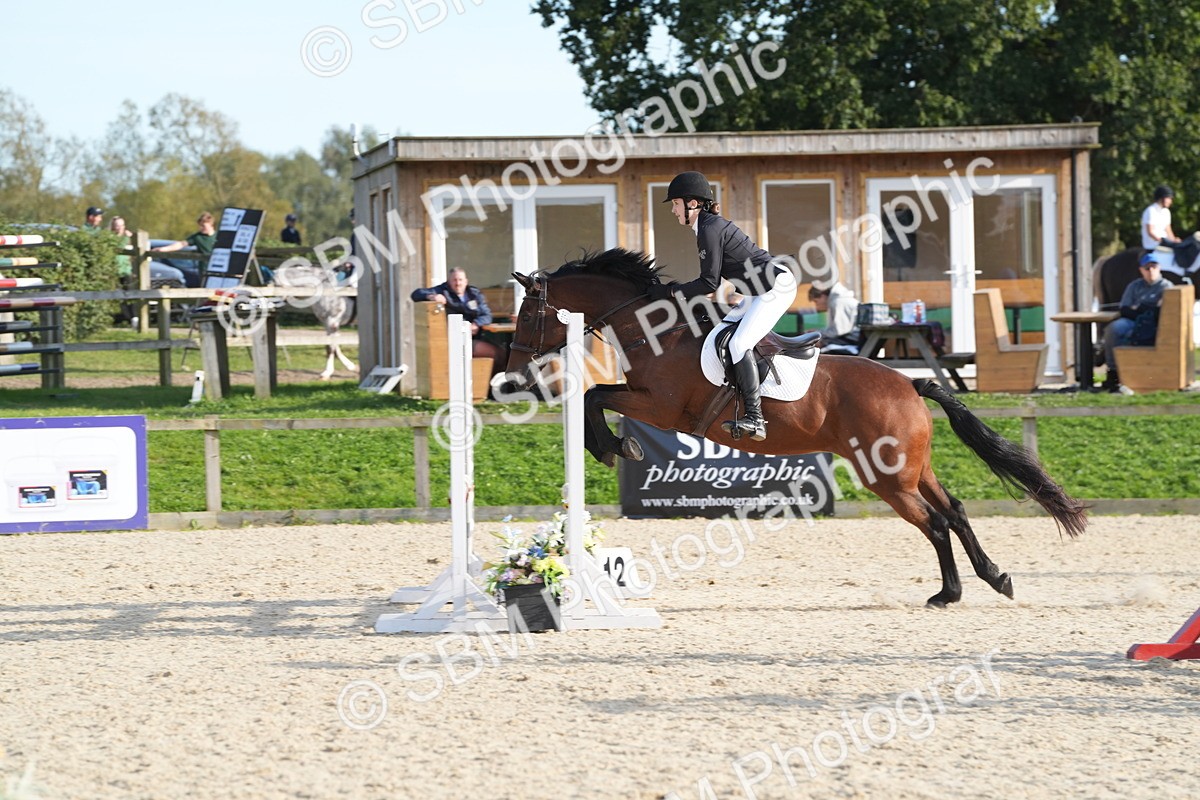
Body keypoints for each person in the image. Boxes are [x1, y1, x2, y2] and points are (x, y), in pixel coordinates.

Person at [648, 171, 798, 441]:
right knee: (722, 333)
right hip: (758, 289)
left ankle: (756, 418)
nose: (673, 210)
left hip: (774, 288)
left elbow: (709, 283)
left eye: (676, 204)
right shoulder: (706, 227)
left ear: (693, 203)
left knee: (739, 344)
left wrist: (669, 291)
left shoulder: (709, 228)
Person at [411, 267, 506, 380]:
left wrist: (476, 324)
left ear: (466, 281)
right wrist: (432, 296)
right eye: (454, 280)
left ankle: (492, 385)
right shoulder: (443, 290)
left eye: (460, 280)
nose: (458, 283)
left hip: (475, 336)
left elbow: (487, 315)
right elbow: (416, 294)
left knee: (503, 353)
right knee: (495, 353)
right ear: (449, 281)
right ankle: (489, 385)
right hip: (454, 340)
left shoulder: (474, 293)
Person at [1101, 252, 1171, 391]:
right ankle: (1113, 371)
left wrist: (1139, 308)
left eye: (1154, 267)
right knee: (1113, 329)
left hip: (1156, 324)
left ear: (1159, 268)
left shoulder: (1166, 287)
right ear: (1141, 270)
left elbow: (1162, 312)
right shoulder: (1134, 286)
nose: (1151, 271)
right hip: (1132, 321)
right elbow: (1124, 309)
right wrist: (1147, 309)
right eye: (1147, 268)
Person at [151, 212, 216, 287]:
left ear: (211, 224)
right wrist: (163, 249)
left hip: (217, 268)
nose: (201, 228)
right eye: (200, 226)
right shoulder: (197, 237)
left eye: (203, 226)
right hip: (204, 269)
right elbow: (181, 244)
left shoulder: (219, 236)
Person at [808, 282, 862, 353]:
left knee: (820, 348)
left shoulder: (838, 302)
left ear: (823, 295)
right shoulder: (840, 300)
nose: (816, 306)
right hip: (853, 338)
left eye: (816, 301)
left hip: (853, 341)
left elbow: (839, 331)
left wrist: (817, 333)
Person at [1141, 185, 1180, 251]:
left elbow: (1168, 230)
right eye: (1169, 198)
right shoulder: (1151, 211)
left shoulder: (1166, 212)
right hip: (1153, 246)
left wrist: (1173, 240)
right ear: (1161, 198)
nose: (1170, 201)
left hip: (1164, 244)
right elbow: (1150, 232)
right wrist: (1162, 241)